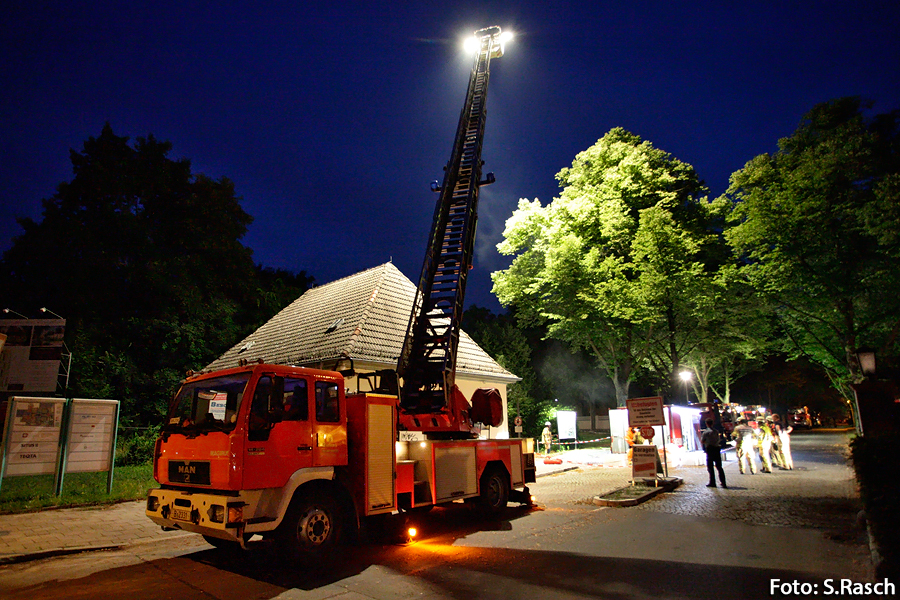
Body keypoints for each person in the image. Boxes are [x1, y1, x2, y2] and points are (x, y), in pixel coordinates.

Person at [701, 418, 727, 488]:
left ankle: (712, 482)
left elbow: (702, 441)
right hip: (717, 449)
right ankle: (723, 482)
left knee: (710, 467)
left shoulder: (706, 432)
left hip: (710, 449)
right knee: (719, 467)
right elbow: (718, 440)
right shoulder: (716, 431)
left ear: (706, 424)